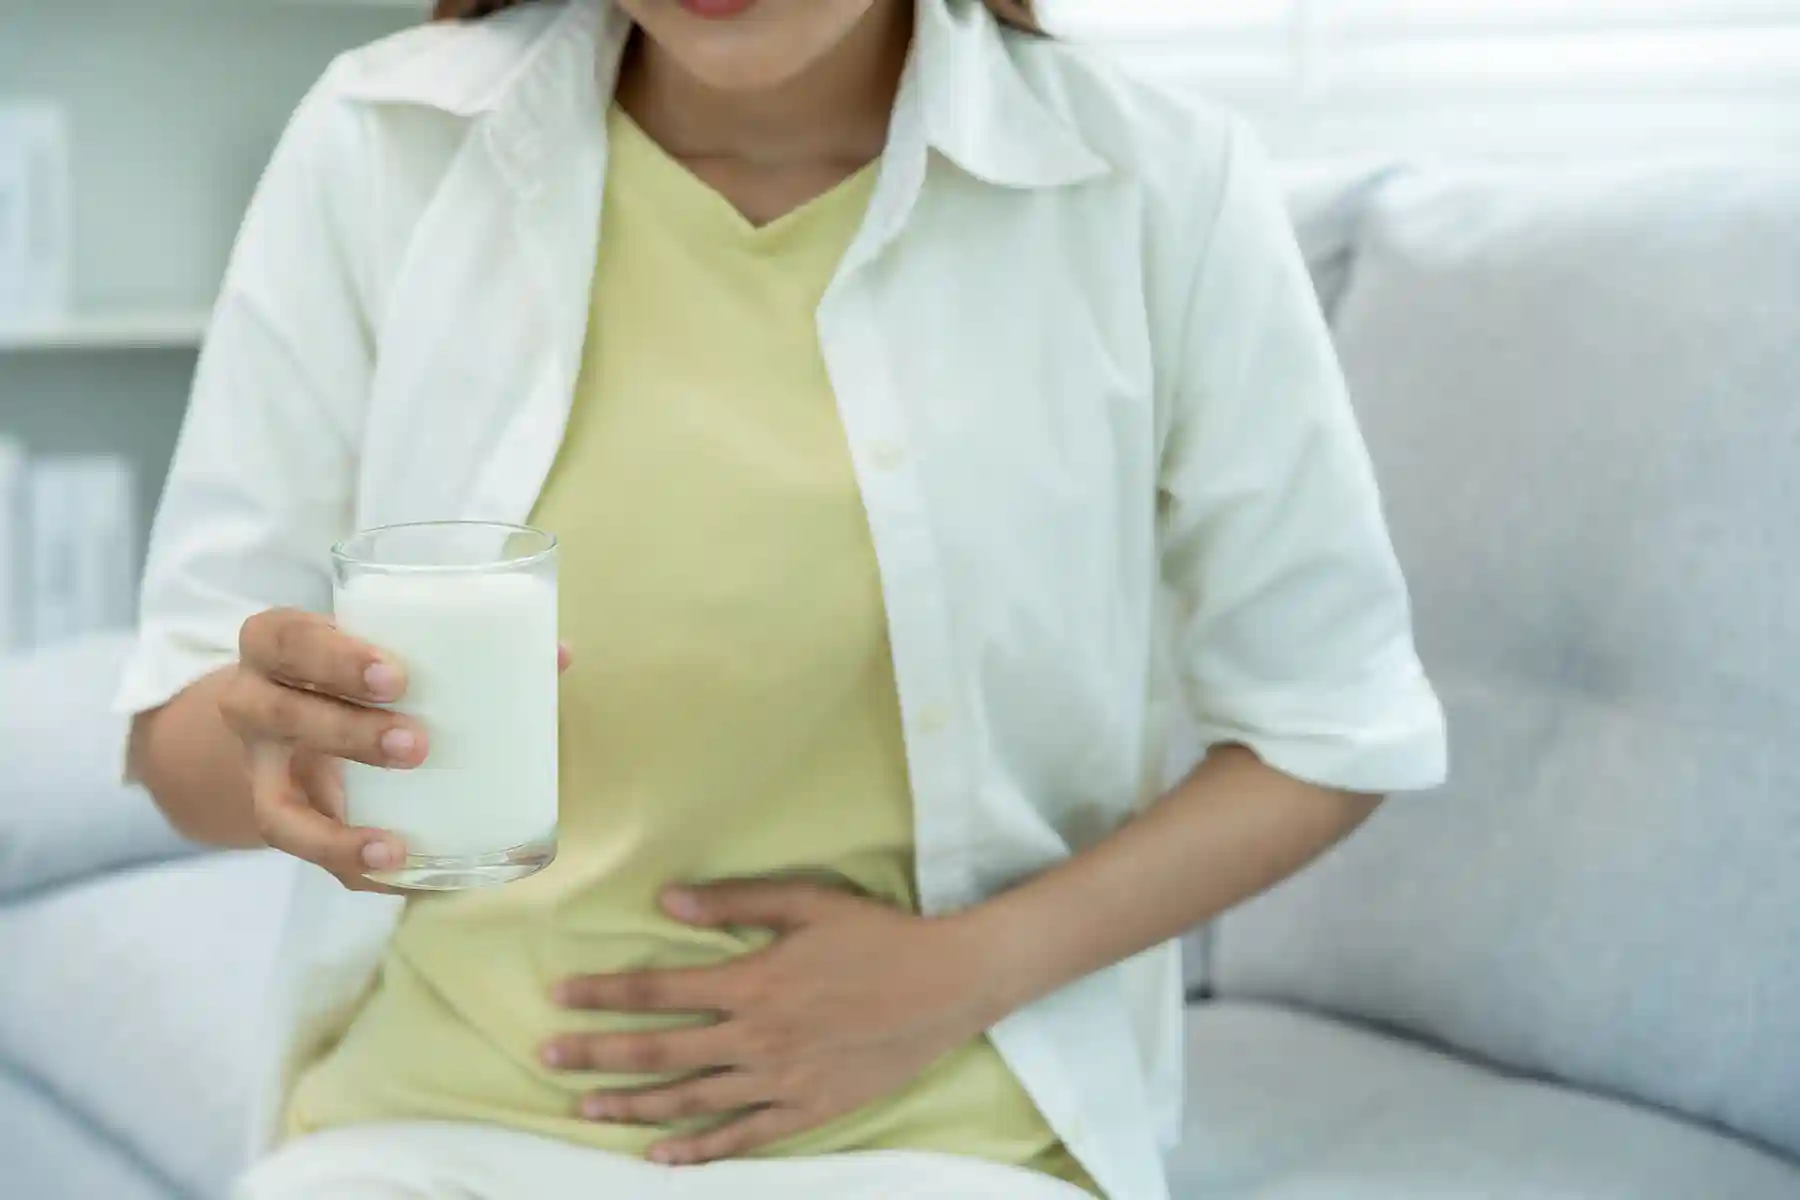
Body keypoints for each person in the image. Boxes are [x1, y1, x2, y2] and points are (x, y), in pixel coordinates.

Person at [120, 0, 1448, 1196]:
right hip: (428, 1127)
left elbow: (1331, 730)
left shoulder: (1157, 183)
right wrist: (273, 739)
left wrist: (961, 975)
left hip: (938, 1137)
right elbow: (178, 743)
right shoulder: (380, 142)